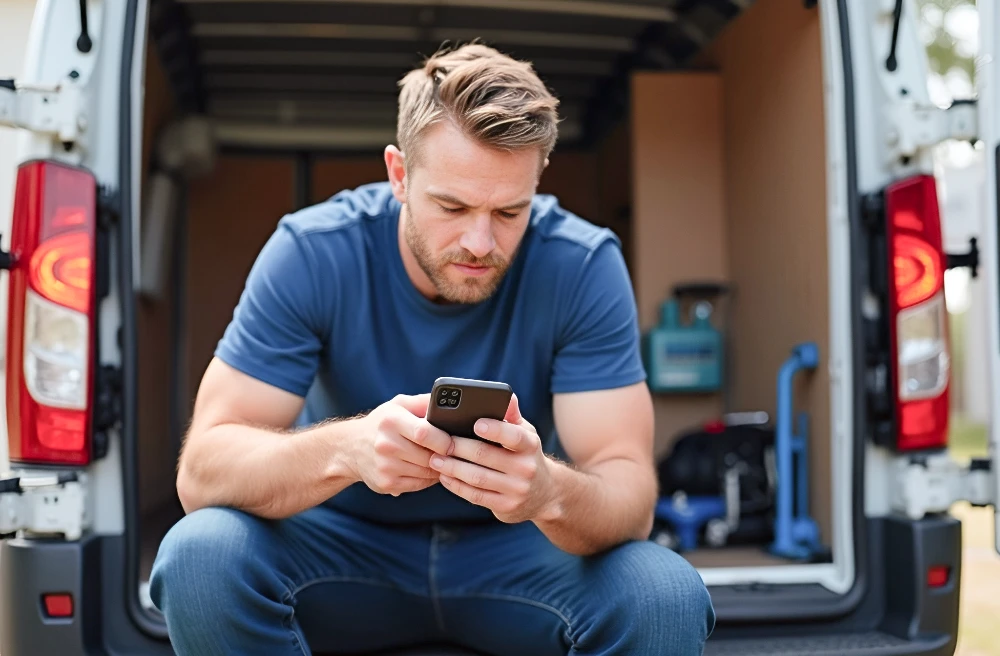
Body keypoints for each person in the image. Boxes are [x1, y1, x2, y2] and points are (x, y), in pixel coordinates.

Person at [150, 43, 716, 655]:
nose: (480, 241)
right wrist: (350, 448)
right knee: (199, 556)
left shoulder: (581, 264)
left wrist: (546, 491)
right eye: (452, 206)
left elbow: (628, 495)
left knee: (665, 596)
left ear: (537, 181)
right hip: (340, 545)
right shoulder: (313, 252)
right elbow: (203, 470)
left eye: (509, 211)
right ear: (399, 175)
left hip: (519, 551)